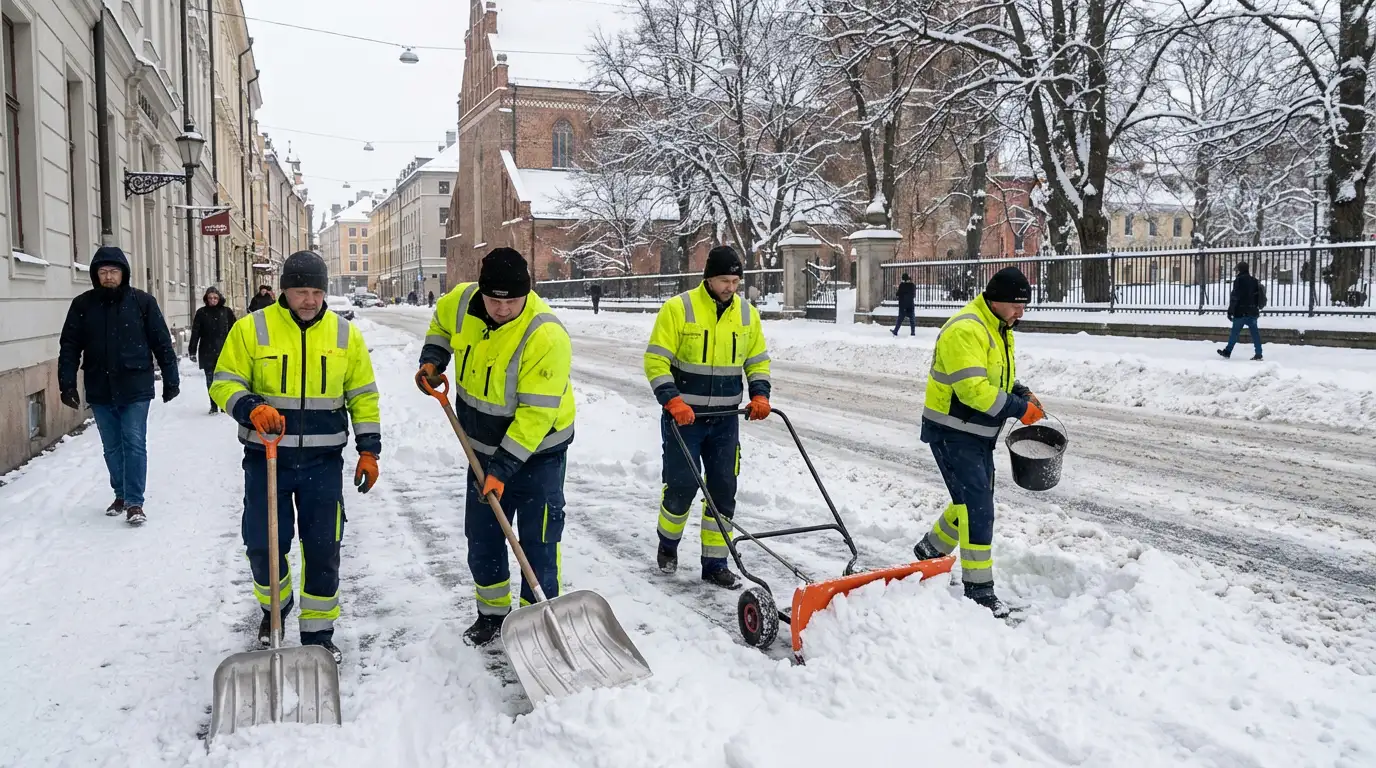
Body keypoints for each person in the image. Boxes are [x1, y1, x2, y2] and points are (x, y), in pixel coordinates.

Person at [210, 251, 382, 664]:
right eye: (301, 291)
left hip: (323, 462)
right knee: (263, 543)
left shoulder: (345, 335)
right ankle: (276, 607)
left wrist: (369, 450)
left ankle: (318, 634)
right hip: (266, 459)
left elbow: (363, 395)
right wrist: (250, 405)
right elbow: (224, 381)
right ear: (284, 290)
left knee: (323, 546)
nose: (310, 300)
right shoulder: (252, 329)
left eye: (317, 292)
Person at [415, 247, 576, 647]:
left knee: (539, 541)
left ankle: (536, 623)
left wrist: (502, 471)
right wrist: (434, 359)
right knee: (483, 538)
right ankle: (491, 617)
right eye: (494, 300)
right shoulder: (462, 302)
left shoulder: (546, 335)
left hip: (539, 455)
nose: (502, 309)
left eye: (512, 301)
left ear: (527, 293)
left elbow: (535, 418)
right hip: (481, 450)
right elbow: (440, 324)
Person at [910, 267, 1044, 618]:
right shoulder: (966, 329)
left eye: (1024, 305)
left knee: (970, 501)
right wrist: (1019, 409)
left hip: (978, 434)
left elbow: (998, 378)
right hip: (953, 431)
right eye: (1016, 305)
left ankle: (931, 550)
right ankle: (979, 591)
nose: (1021, 312)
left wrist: (1021, 392)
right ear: (995, 299)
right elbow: (974, 392)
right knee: (977, 508)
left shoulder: (999, 327)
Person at [643, 245, 771, 590]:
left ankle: (715, 563)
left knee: (723, 489)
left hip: (726, 419)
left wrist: (760, 393)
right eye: (724, 280)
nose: (731, 287)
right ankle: (668, 544)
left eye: (735, 281)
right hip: (684, 419)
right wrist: (672, 401)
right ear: (708, 279)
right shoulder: (678, 309)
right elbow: (655, 361)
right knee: (682, 487)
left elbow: (757, 360)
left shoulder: (747, 315)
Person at [58, 246, 179, 525]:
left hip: (135, 383)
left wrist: (171, 378)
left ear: (123, 274)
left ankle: (135, 502)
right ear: (95, 275)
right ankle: (121, 494)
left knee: (134, 442)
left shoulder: (142, 302)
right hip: (100, 385)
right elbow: (69, 346)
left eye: (114, 271)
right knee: (112, 445)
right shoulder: (83, 305)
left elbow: (161, 341)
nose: (109, 277)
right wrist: (67, 384)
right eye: (103, 272)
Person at [189, 287, 236, 414]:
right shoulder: (201, 313)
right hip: (207, 351)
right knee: (210, 380)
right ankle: (213, 405)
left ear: (219, 298)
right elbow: (195, 332)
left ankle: (223, 404)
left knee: (224, 380)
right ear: (206, 299)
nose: (213, 300)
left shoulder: (227, 312)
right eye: (210, 298)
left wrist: (237, 348)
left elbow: (235, 332)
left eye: (215, 298)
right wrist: (192, 350)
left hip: (224, 351)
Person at [1218, 261, 1264, 361]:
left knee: (1234, 333)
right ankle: (1259, 353)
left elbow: (1235, 297)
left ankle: (1227, 351)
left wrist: (1230, 311)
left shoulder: (1238, 281)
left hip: (1240, 312)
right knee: (1255, 333)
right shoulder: (1254, 280)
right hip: (1252, 311)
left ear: (1240, 270)